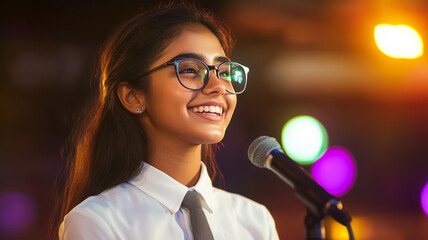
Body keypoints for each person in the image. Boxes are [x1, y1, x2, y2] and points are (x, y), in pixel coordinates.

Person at [56, 4, 279, 240]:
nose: (219, 87)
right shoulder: (98, 221)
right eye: (191, 70)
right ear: (133, 97)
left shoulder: (255, 221)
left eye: (224, 72)